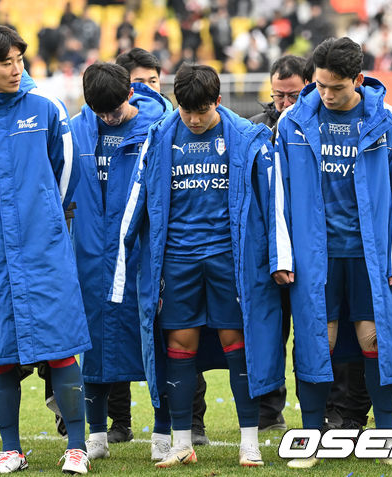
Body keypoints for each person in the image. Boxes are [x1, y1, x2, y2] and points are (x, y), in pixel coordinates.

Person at [110, 64, 284, 468]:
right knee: (178, 345)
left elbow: (272, 202)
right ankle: (183, 441)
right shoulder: (161, 136)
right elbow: (137, 199)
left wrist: (278, 258)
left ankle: (249, 441)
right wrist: (123, 256)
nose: (194, 119)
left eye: (202, 111)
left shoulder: (246, 137)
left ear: (218, 102)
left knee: (237, 345)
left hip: (229, 258)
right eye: (187, 112)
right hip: (177, 260)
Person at [0, 25, 91, 474]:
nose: (16, 69)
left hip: (43, 248)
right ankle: (11, 450)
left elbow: (66, 174)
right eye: (7, 62)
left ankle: (77, 448)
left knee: (62, 347)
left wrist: (44, 215)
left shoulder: (46, 108)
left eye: (20, 60)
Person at [270, 37, 392, 468]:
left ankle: (386, 436)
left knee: (376, 338)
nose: (326, 95)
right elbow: (279, 193)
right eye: (319, 86)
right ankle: (311, 437)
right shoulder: (293, 123)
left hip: (369, 256)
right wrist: (282, 255)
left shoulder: (387, 121)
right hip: (316, 257)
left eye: (335, 87)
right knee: (320, 340)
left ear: (357, 79)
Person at [70, 62, 171, 461]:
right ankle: (96, 436)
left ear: (131, 94)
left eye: (113, 110)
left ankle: (163, 433)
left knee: (155, 341)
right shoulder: (78, 128)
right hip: (92, 254)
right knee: (92, 346)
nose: (108, 118)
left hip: (141, 255)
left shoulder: (157, 128)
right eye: (100, 112)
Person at [113, 47, 211, 446]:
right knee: (119, 337)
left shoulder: (170, 127)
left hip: (169, 252)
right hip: (118, 248)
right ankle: (119, 419)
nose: (146, 90)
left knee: (182, 335)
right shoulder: (99, 125)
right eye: (137, 83)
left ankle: (192, 420)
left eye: (153, 82)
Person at [249, 54, 305, 432]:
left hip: (307, 248)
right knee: (268, 332)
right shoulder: (255, 129)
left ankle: (328, 408)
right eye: (278, 95)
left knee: (316, 332)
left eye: (293, 95)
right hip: (265, 250)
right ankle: (268, 412)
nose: (284, 103)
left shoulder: (315, 127)